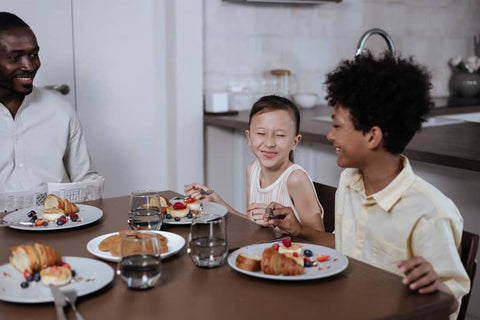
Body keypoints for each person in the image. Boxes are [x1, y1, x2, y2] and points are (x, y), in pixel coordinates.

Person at [267, 52, 469, 318]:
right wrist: (300, 229)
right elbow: (347, 246)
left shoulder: (431, 212)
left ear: (372, 136)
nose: (330, 135)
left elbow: (451, 303)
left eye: (337, 126)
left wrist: (438, 287)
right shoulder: (350, 181)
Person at [186, 95, 324, 231]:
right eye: (261, 133)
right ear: (249, 137)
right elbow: (251, 223)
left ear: (295, 142)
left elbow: (319, 238)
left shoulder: (295, 179)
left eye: (280, 135)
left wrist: (287, 225)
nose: (269, 143)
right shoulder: (252, 170)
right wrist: (216, 201)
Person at [0, 12, 98, 194]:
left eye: (34, 54)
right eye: (15, 58)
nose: (30, 66)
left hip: (58, 220)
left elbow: (85, 179)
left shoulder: (59, 108)